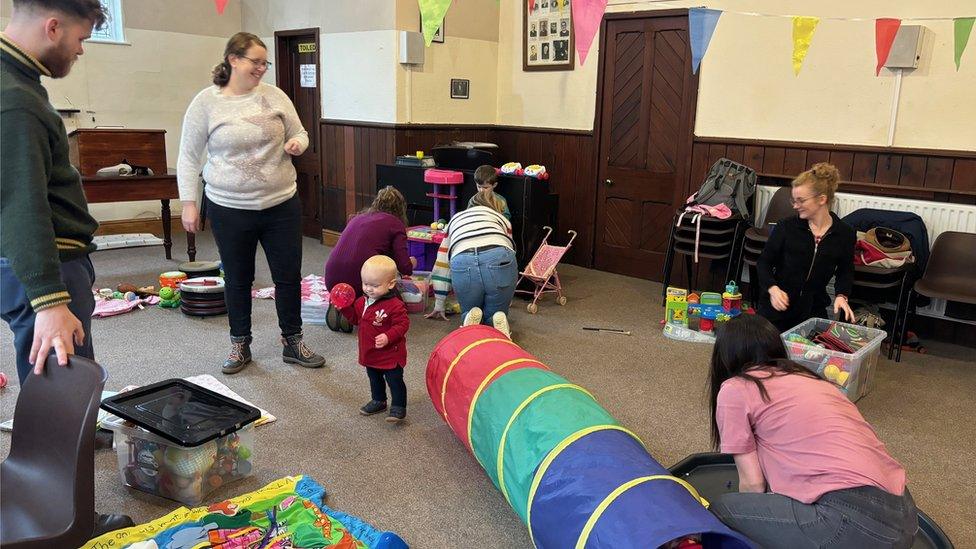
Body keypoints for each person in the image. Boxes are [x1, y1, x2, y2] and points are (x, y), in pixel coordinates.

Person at [1, 0, 134, 536]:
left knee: (52, 387)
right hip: (44, 266)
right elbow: (20, 204)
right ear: (52, 25)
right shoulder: (15, 99)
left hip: (36, 262)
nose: (81, 50)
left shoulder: (16, 80)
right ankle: (66, 522)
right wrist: (51, 301)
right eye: (80, 38)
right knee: (61, 386)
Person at [177, 32, 325, 374]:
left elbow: (300, 132)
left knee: (288, 276)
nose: (262, 68)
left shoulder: (274, 96)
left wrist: (298, 145)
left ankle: (292, 341)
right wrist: (188, 202)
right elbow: (187, 157)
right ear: (233, 59)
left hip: (281, 203)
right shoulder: (206, 102)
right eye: (255, 62)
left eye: (265, 62)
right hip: (228, 207)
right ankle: (240, 344)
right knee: (239, 278)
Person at [708, 314, 917, 548]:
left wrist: (750, 518)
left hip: (850, 524)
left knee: (721, 511)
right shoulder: (810, 378)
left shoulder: (736, 388)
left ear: (724, 358)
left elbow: (753, 485)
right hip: (905, 518)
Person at [756, 162, 856, 332]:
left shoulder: (845, 234)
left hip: (812, 310)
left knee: (816, 354)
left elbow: (845, 270)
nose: (795, 206)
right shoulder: (786, 227)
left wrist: (841, 295)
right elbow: (764, 263)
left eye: (801, 200)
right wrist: (773, 289)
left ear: (822, 199)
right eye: (793, 200)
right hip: (777, 308)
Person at [426, 189, 517, 338]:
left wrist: (440, 302)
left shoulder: (455, 219)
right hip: (499, 255)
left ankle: (470, 318)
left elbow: (442, 263)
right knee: (497, 310)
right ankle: (496, 320)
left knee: (469, 309)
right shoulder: (502, 219)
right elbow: (510, 250)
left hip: (462, 257)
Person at [338, 256, 410, 423]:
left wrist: (388, 335)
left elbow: (403, 325)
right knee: (374, 378)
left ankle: (399, 406)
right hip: (370, 352)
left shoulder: (395, 305)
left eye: (375, 285)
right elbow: (356, 320)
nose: (369, 289)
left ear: (391, 284)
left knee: (395, 380)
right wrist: (345, 309)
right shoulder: (362, 301)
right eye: (365, 284)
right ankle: (379, 400)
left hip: (390, 355)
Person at [325, 186, 415, 296]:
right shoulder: (396, 224)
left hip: (332, 282)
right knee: (392, 290)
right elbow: (405, 267)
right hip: (363, 284)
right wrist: (412, 263)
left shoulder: (356, 218)